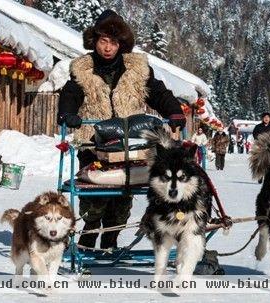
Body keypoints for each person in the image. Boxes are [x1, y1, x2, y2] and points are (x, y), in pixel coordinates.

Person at [57, 10, 186, 250]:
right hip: (93, 144)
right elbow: (70, 94)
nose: (107, 48)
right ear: (94, 41)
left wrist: (174, 112)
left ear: (121, 44)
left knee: (122, 195)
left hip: (129, 143)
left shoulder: (137, 69)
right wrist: (68, 114)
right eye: (103, 41)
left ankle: (110, 240)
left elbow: (158, 92)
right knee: (97, 194)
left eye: (113, 42)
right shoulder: (82, 70)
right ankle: (88, 238)